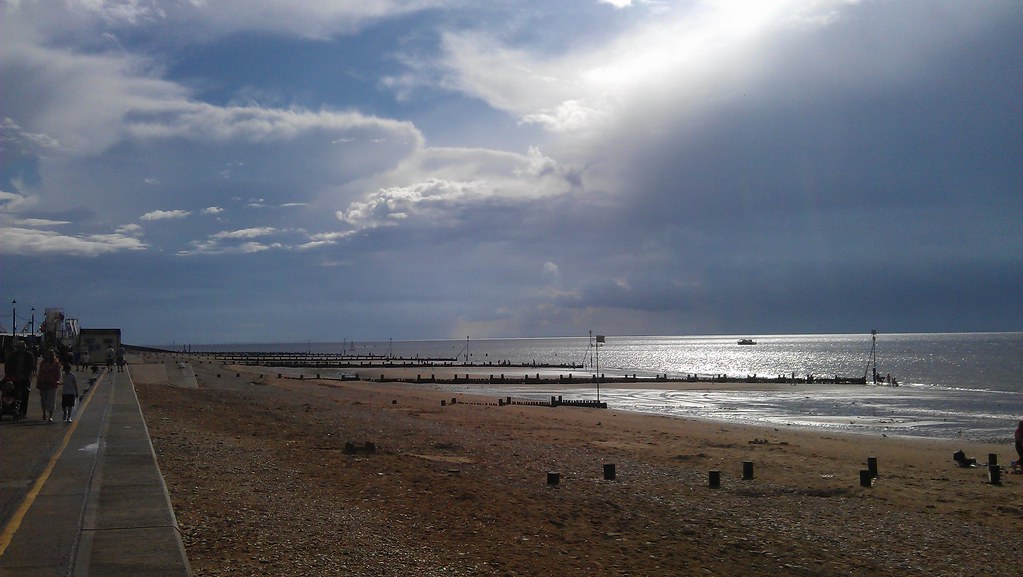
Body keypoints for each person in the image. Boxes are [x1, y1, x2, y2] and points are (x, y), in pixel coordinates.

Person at [4, 340, 36, 419]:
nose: (20, 349)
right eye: (19, 348)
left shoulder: (29, 355)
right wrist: (9, 375)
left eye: (21, 348)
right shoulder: (13, 355)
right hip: (13, 377)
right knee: (12, 393)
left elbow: (31, 367)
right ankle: (10, 407)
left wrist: (25, 375)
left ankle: (23, 411)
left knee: (24, 394)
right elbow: (7, 365)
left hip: (24, 378)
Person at [36, 348, 62, 422]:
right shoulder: (43, 363)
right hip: (43, 383)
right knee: (43, 400)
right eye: (47, 354)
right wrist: (39, 382)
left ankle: (50, 415)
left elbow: (58, 373)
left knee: (51, 400)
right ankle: (44, 413)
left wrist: (57, 381)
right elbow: (40, 373)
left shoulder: (56, 363)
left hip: (52, 384)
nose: (48, 356)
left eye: (50, 354)